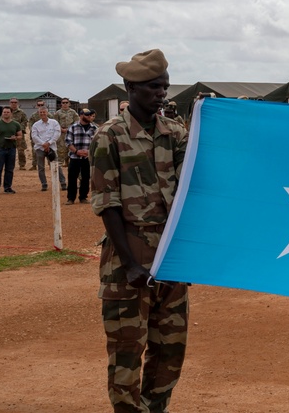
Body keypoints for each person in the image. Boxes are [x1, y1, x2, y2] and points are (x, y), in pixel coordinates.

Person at [90, 49, 190, 411]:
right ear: (130, 88)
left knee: (170, 352)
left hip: (170, 261)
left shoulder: (176, 133)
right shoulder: (110, 136)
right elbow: (108, 203)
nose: (161, 93)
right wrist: (131, 264)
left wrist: (186, 257)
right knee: (127, 355)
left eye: (164, 87)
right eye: (152, 87)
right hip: (128, 259)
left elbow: (189, 196)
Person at [0, 107, 22, 195]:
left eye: (8, 112)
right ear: (2, 113)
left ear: (11, 113)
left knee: (9, 169)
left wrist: (15, 138)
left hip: (11, 149)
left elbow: (20, 136)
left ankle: (7, 187)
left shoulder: (16, 124)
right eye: (4, 112)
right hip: (0, 149)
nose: (6, 113)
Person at [65, 108, 97, 205]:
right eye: (87, 115)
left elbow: (97, 142)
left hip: (88, 158)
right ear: (81, 115)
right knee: (72, 178)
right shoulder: (73, 127)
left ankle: (83, 197)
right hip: (75, 158)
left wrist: (88, 152)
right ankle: (71, 198)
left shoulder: (95, 128)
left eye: (90, 115)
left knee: (86, 178)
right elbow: (68, 141)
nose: (89, 116)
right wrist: (76, 151)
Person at [31, 106, 62, 192]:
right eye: (41, 112)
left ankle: (62, 183)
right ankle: (44, 184)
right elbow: (34, 136)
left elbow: (57, 133)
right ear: (38, 113)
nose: (42, 114)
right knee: (41, 167)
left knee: (56, 166)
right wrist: (43, 144)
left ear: (47, 113)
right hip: (40, 148)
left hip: (51, 147)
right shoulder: (35, 125)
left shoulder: (54, 123)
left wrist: (49, 143)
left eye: (44, 112)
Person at [54, 98, 79, 169]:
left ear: (69, 103)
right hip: (61, 133)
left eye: (66, 102)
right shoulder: (57, 113)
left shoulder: (73, 112)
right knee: (61, 148)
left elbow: (76, 122)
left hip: (71, 133)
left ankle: (69, 163)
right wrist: (61, 129)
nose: (65, 104)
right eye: (63, 103)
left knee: (71, 147)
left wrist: (69, 129)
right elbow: (55, 123)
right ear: (61, 104)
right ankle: (59, 165)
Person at [8, 98, 29, 170]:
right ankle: (9, 165)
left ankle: (22, 165)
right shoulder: (6, 112)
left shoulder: (21, 112)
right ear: (9, 103)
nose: (13, 104)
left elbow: (25, 121)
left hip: (19, 134)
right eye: (12, 102)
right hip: (8, 134)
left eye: (15, 102)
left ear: (18, 103)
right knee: (8, 150)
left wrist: (20, 129)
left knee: (21, 150)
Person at [27, 100, 48, 170]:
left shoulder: (49, 115)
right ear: (36, 106)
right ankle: (34, 165)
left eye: (42, 105)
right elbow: (30, 124)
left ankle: (50, 164)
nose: (40, 106)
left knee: (49, 149)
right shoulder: (33, 115)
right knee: (34, 150)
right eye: (39, 105)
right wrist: (35, 131)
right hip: (36, 136)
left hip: (46, 136)